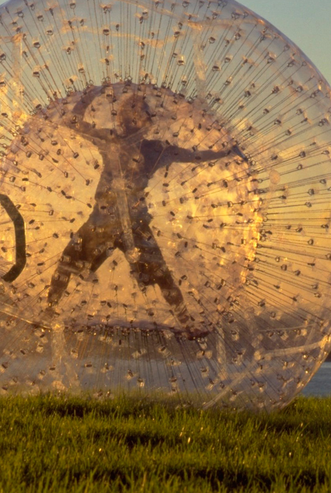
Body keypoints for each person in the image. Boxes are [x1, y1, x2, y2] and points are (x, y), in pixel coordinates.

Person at [45, 84, 247, 328]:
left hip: (126, 222)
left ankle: (187, 324)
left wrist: (226, 153)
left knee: (162, 277)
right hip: (106, 220)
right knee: (68, 262)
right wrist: (88, 96)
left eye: (145, 112)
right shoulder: (115, 140)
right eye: (139, 111)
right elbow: (73, 123)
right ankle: (47, 311)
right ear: (126, 116)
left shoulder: (154, 148)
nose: (145, 116)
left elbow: (195, 156)